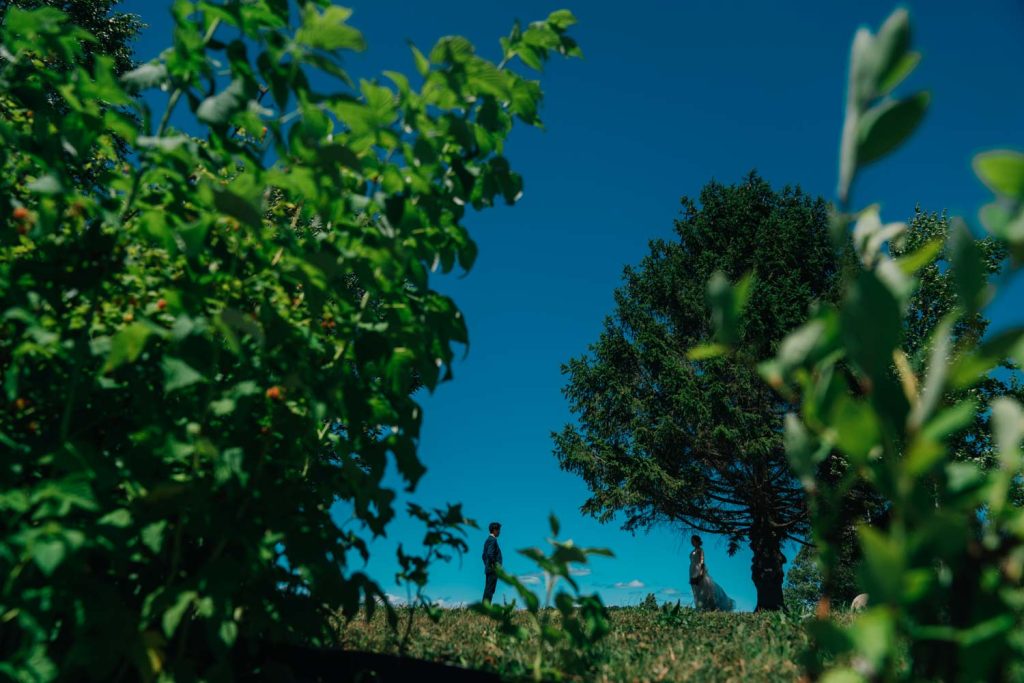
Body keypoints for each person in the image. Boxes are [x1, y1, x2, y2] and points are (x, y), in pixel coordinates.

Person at [689, 534, 735, 611]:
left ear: (697, 541)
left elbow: (702, 562)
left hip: (698, 569)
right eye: (691, 541)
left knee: (704, 589)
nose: (692, 542)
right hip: (692, 570)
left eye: (693, 541)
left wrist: (701, 573)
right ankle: (699, 606)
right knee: (696, 589)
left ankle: (708, 606)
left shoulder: (700, 550)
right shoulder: (693, 551)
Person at [482, 522, 503, 604]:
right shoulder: (492, 540)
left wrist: (487, 565)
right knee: (490, 590)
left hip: (489, 568)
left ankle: (485, 608)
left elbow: (483, 556)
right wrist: (494, 566)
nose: (499, 532)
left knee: (488, 589)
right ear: (494, 530)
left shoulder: (488, 540)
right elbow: (490, 554)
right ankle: (486, 609)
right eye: (498, 530)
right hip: (492, 569)